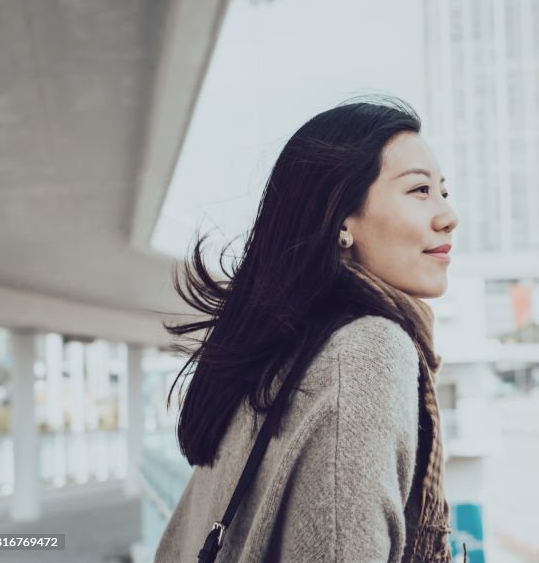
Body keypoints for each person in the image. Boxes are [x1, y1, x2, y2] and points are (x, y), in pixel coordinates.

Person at [153, 97, 462, 562]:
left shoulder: (284, 353)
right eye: (419, 191)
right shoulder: (367, 351)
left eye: (443, 191)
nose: (447, 215)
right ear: (342, 220)